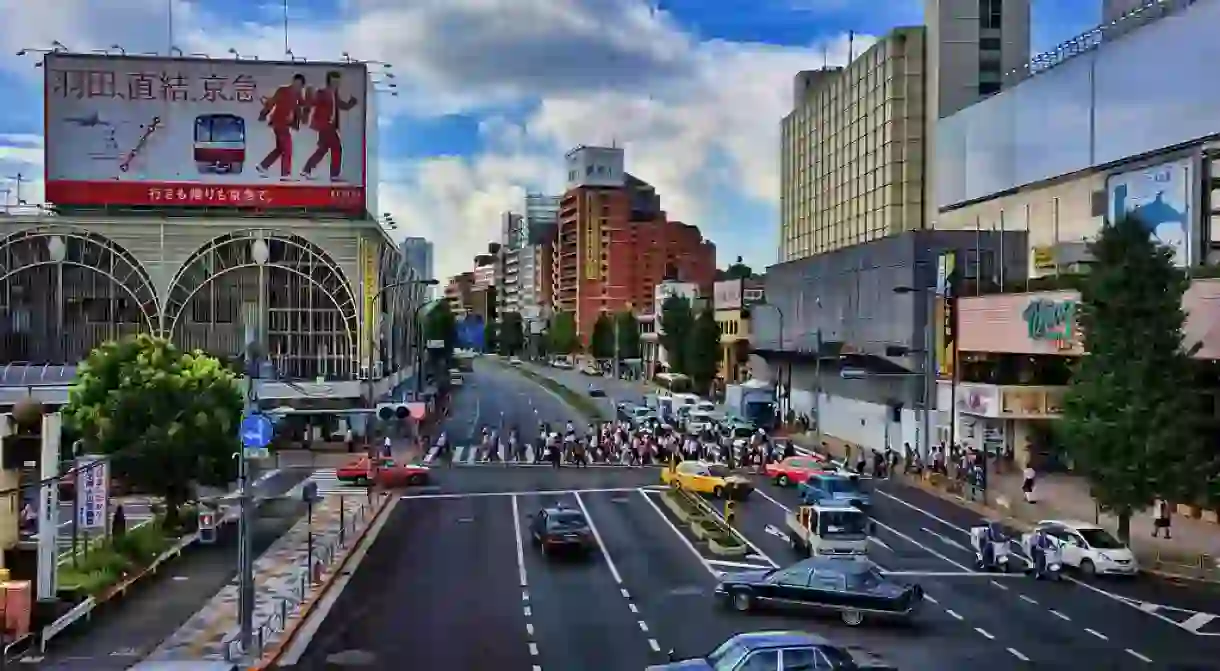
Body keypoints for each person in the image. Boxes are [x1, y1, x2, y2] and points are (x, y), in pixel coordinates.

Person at [301, 70, 359, 181]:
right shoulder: (322, 93)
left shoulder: (334, 95)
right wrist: (308, 99)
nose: (336, 84)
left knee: (322, 149)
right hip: (325, 125)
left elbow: (342, 106)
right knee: (337, 148)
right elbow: (313, 102)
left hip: (330, 126)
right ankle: (334, 175)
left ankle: (306, 169)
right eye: (334, 82)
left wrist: (351, 102)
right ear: (329, 81)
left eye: (338, 82)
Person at [257, 73, 307, 178]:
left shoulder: (298, 95)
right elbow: (272, 102)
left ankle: (263, 165)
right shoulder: (283, 91)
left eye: (299, 85)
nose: (297, 86)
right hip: (279, 123)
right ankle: (285, 174)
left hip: (286, 124)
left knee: (281, 148)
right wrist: (263, 113)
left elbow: (302, 106)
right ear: (293, 81)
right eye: (296, 83)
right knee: (287, 148)